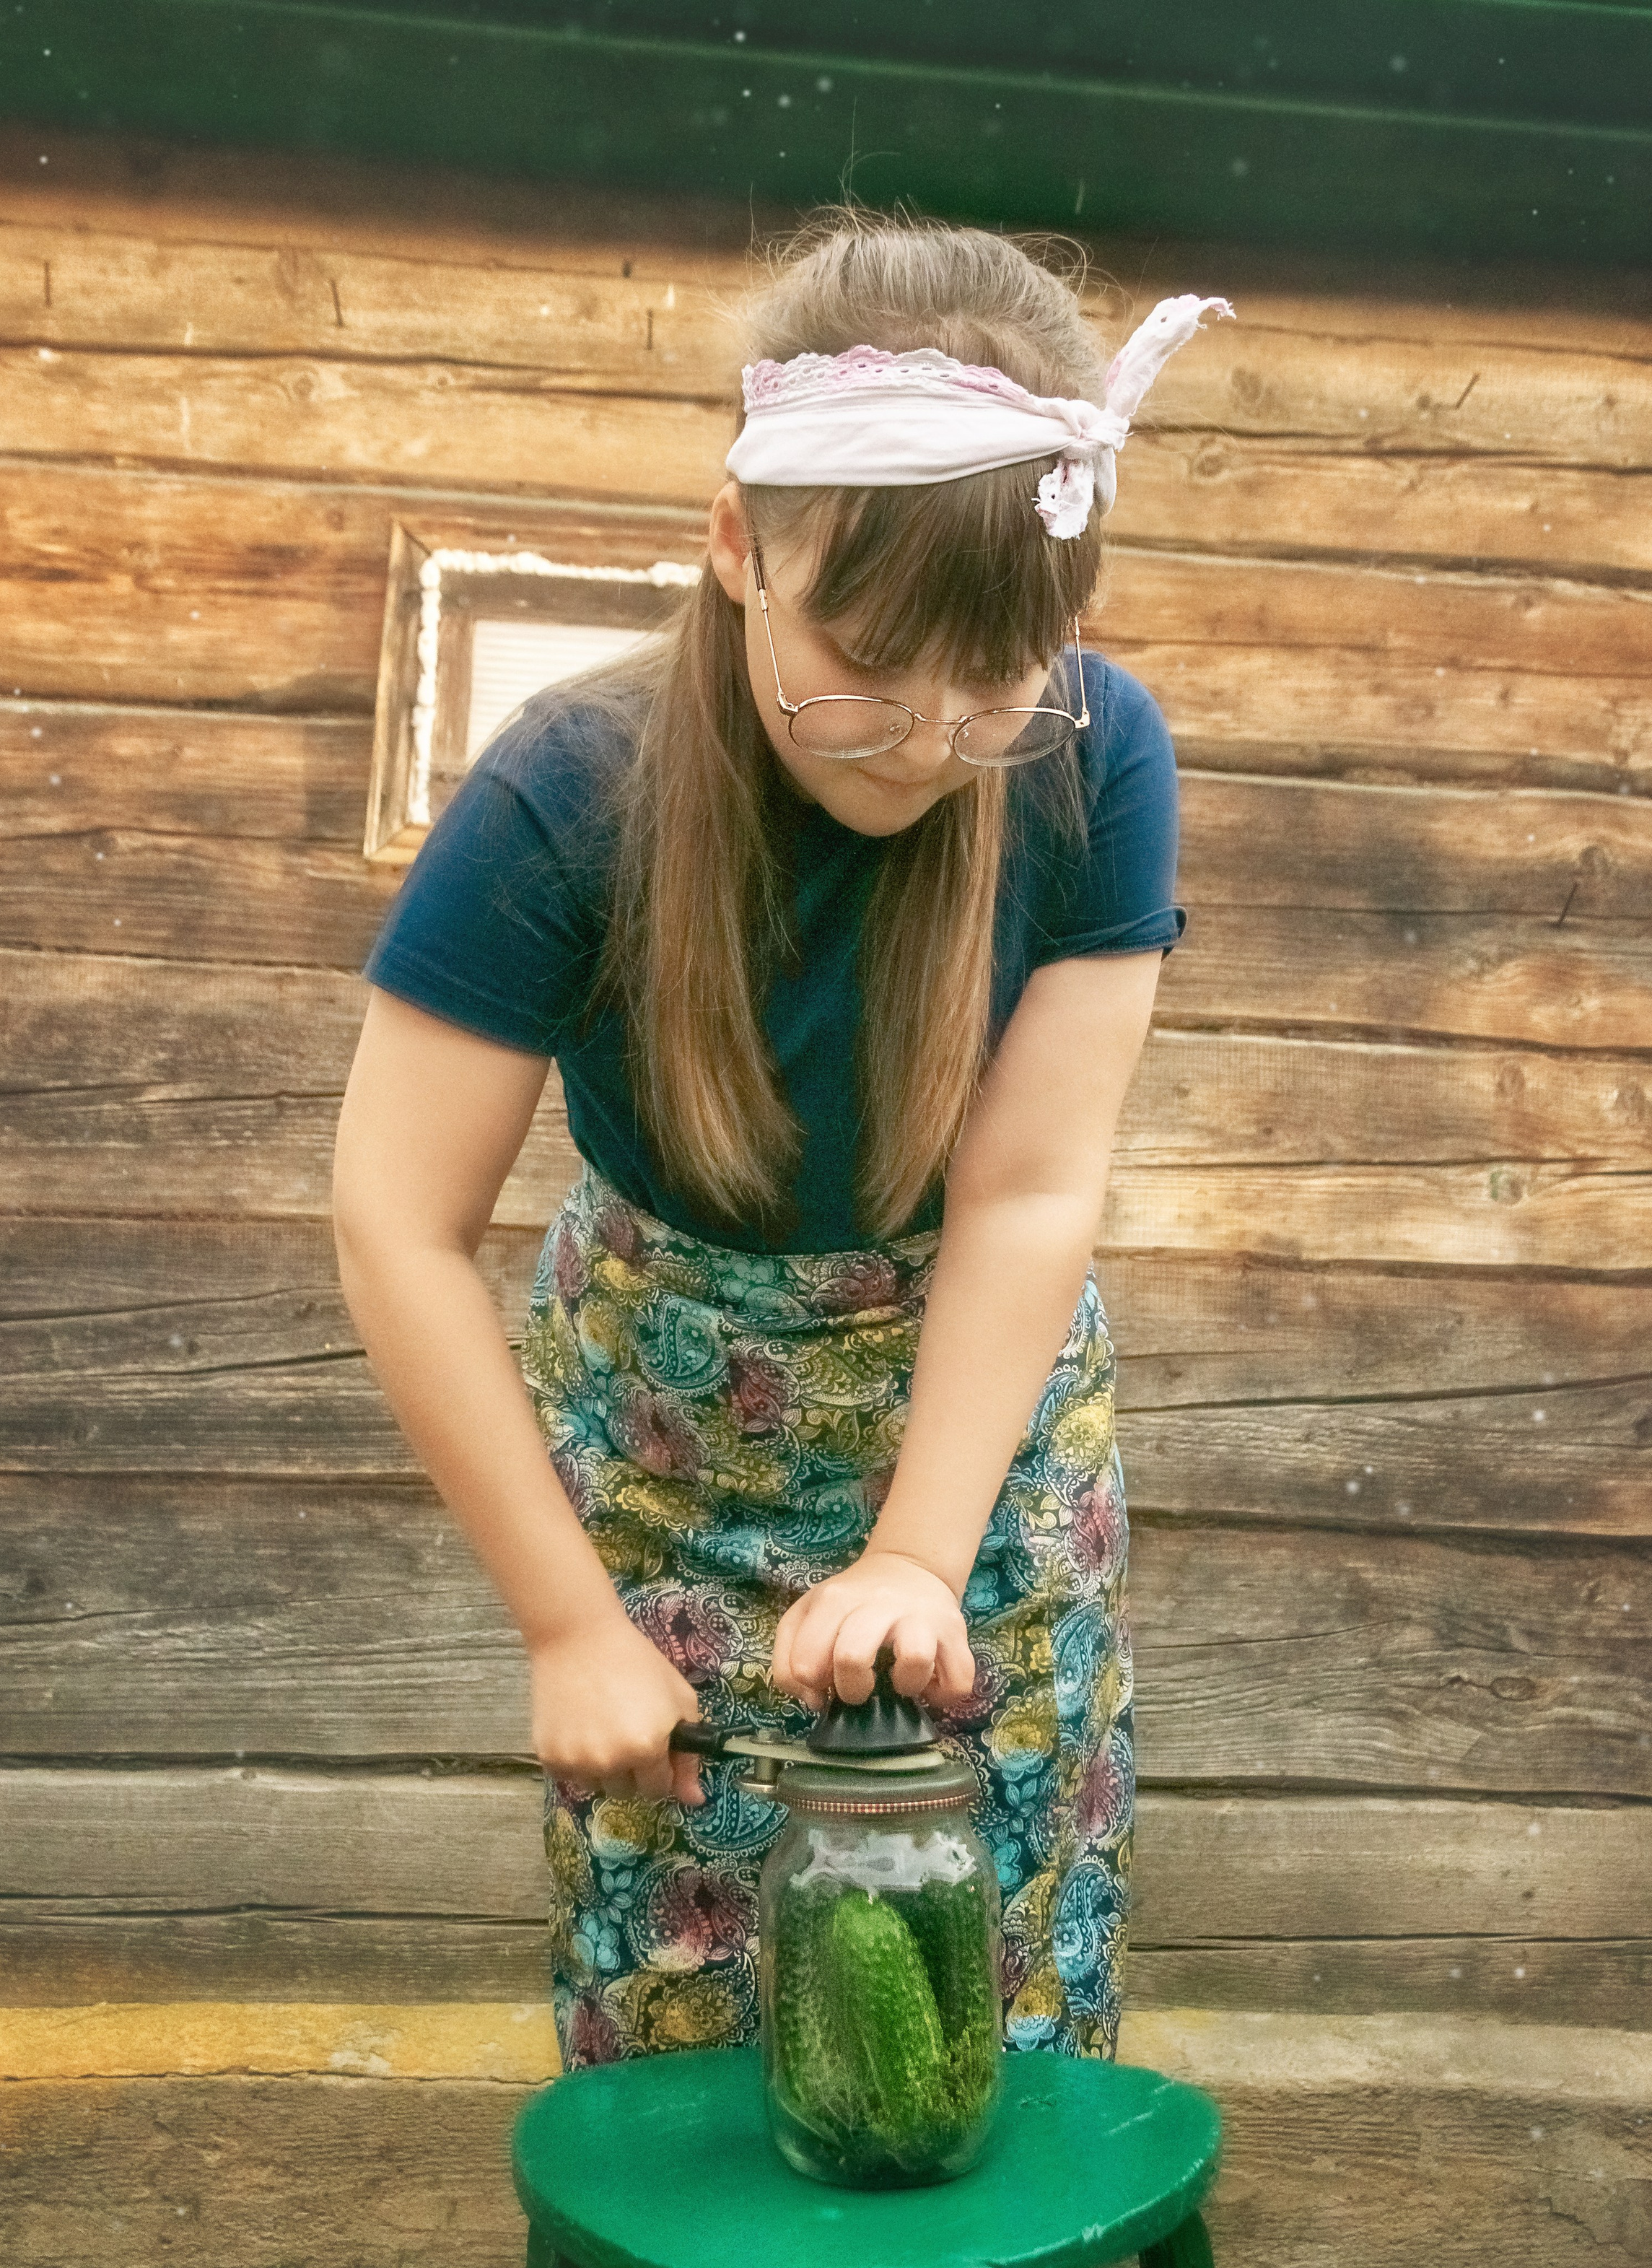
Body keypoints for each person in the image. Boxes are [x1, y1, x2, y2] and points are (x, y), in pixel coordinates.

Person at [333, 211, 1231, 2071]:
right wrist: (568, 1627)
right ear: (739, 546)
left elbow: (1030, 1188)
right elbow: (395, 1221)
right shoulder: (564, 799)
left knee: (994, 1979)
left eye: (994, 680)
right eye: (867, 663)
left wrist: (921, 1558)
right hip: (665, 1441)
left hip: (977, 1439)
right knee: (682, 1997)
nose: (922, 739)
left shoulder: (1096, 756)